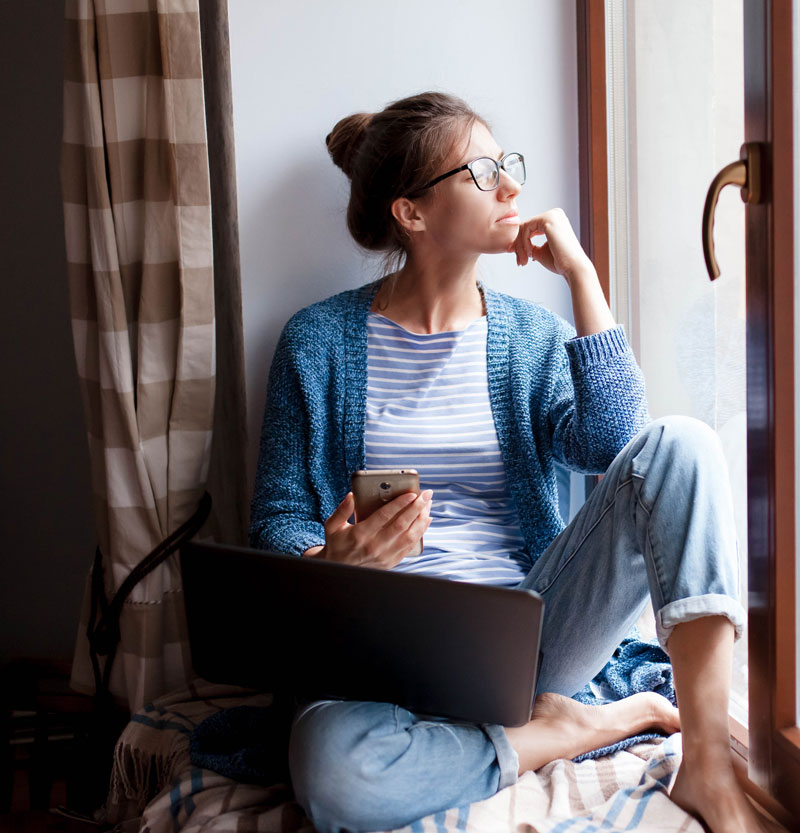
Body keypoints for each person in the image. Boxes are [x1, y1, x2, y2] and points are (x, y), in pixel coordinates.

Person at [250, 92, 764, 833]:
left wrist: (581, 275)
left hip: (529, 635)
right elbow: (277, 514)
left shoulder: (529, 336)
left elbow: (614, 446)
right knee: (332, 770)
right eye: (482, 170)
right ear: (412, 213)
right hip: (378, 655)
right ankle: (564, 729)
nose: (510, 186)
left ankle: (709, 768)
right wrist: (335, 562)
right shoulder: (315, 342)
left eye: (507, 164)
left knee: (682, 443)